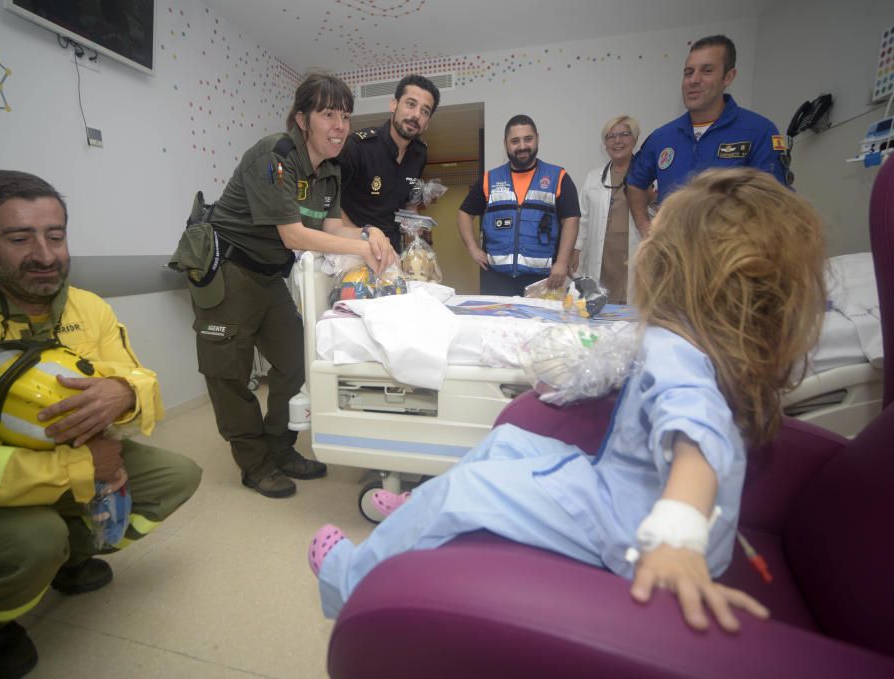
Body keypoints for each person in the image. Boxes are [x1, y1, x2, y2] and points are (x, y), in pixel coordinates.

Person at [309, 168, 827, 633]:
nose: (647, 237)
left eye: (657, 230)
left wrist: (678, 534)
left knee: (469, 486)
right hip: (628, 489)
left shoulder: (678, 348)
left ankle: (351, 577)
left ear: (674, 268)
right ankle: (422, 510)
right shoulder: (701, 340)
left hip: (633, 526)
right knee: (508, 442)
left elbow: (697, 431)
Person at [0, 170, 202, 679]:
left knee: (177, 476)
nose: (44, 254)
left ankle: (69, 555)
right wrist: (80, 467)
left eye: (55, 236)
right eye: (19, 238)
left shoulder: (89, 308)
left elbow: (140, 378)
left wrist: (123, 391)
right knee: (33, 541)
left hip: (69, 459)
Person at [192, 73, 397, 500]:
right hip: (228, 269)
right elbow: (294, 236)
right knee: (229, 374)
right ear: (303, 119)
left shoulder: (331, 171)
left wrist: (371, 234)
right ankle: (254, 464)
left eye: (345, 115)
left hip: (269, 276)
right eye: (328, 114)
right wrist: (360, 248)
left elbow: (334, 226)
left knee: (295, 362)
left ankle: (281, 450)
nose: (340, 125)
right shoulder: (274, 156)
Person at [627, 34, 789, 237]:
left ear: (728, 77)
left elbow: (774, 203)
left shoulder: (758, 131)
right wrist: (646, 229)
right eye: (688, 72)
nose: (694, 80)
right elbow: (635, 183)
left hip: (731, 259)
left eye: (707, 70)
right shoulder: (662, 138)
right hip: (674, 258)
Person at [457, 114, 581, 296]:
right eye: (515, 141)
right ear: (506, 143)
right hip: (496, 279)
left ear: (537, 138)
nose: (522, 146)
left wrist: (562, 262)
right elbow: (464, 214)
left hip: (543, 280)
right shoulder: (489, 179)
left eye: (528, 139)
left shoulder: (558, 177)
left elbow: (571, 220)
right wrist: (473, 248)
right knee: (494, 325)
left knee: (541, 325)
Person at [339, 74, 440, 252]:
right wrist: (359, 238)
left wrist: (416, 239)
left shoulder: (420, 153)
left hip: (392, 249)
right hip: (352, 247)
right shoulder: (358, 146)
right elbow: (331, 203)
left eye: (425, 111)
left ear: (427, 123)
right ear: (393, 104)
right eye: (410, 104)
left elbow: (408, 204)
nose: (416, 115)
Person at [573, 115, 644, 305]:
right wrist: (576, 250)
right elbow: (583, 219)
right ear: (605, 143)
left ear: (635, 139)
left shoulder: (649, 176)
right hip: (602, 254)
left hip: (632, 252)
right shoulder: (593, 178)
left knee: (631, 308)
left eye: (624, 134)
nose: (617, 141)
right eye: (611, 136)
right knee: (600, 308)